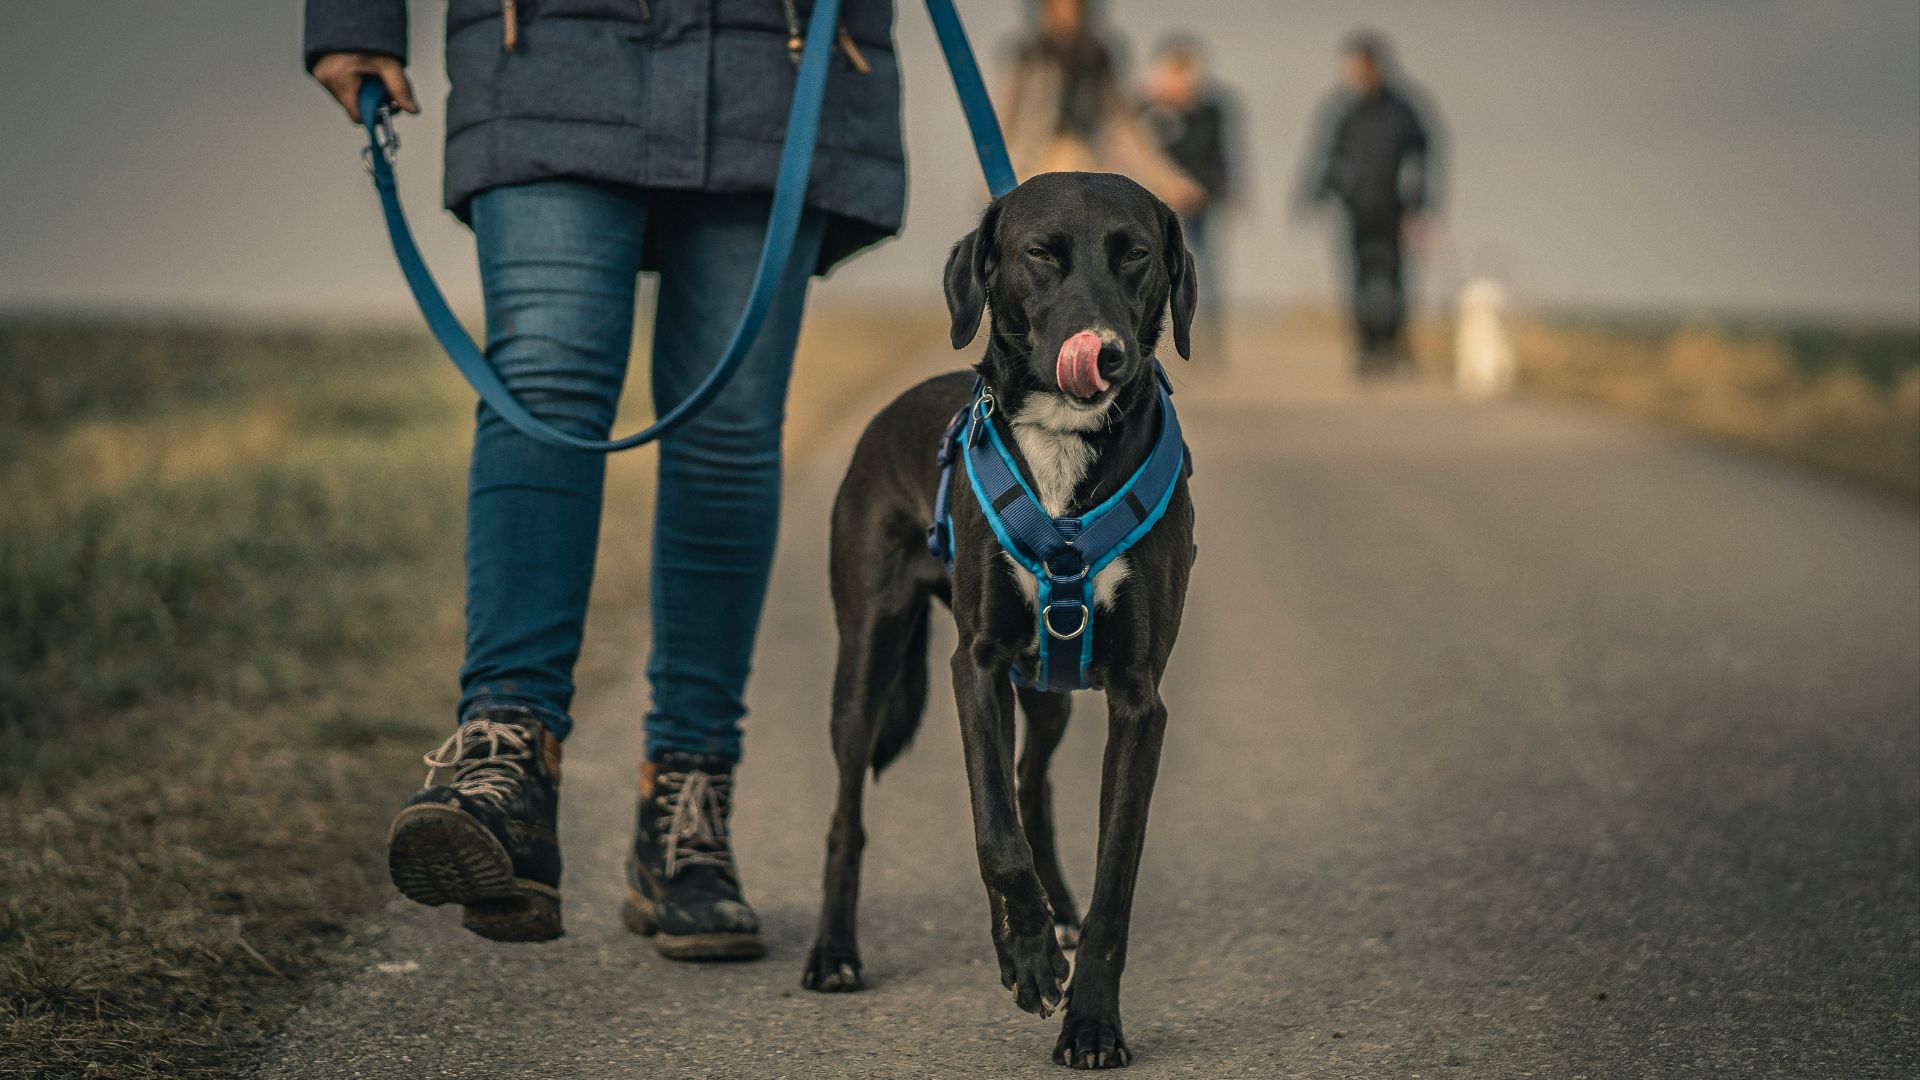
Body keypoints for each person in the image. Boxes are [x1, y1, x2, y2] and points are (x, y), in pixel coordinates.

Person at [304, 0, 904, 959]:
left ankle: (687, 806)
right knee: (540, 380)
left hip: (774, 52)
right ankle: (507, 766)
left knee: (729, 425)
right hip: (547, 39)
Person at [1298, 29, 1442, 376]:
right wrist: (1317, 192)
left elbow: (1422, 157)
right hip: (1355, 210)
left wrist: (1419, 206)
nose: (1352, 74)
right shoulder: (1344, 110)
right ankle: (1366, 347)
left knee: (1393, 280)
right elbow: (1328, 155)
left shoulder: (1402, 110)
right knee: (1358, 280)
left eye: (1358, 67)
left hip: (1394, 211)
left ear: (1375, 66)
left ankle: (1393, 345)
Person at [1000, 0, 1204, 215]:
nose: (1065, 14)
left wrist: (1170, 182)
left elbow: (1126, 127)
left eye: (1072, 7)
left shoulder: (1097, 58)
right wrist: (999, 185)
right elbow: (1005, 122)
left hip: (1086, 165)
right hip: (1033, 168)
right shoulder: (1028, 59)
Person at [1139, 34, 1238, 345]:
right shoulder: (1145, 109)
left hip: (1197, 202)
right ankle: (1151, 332)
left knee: (1201, 265)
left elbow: (1219, 155)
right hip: (1153, 201)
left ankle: (1203, 336)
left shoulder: (1209, 111)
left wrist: (1219, 191)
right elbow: (1136, 153)